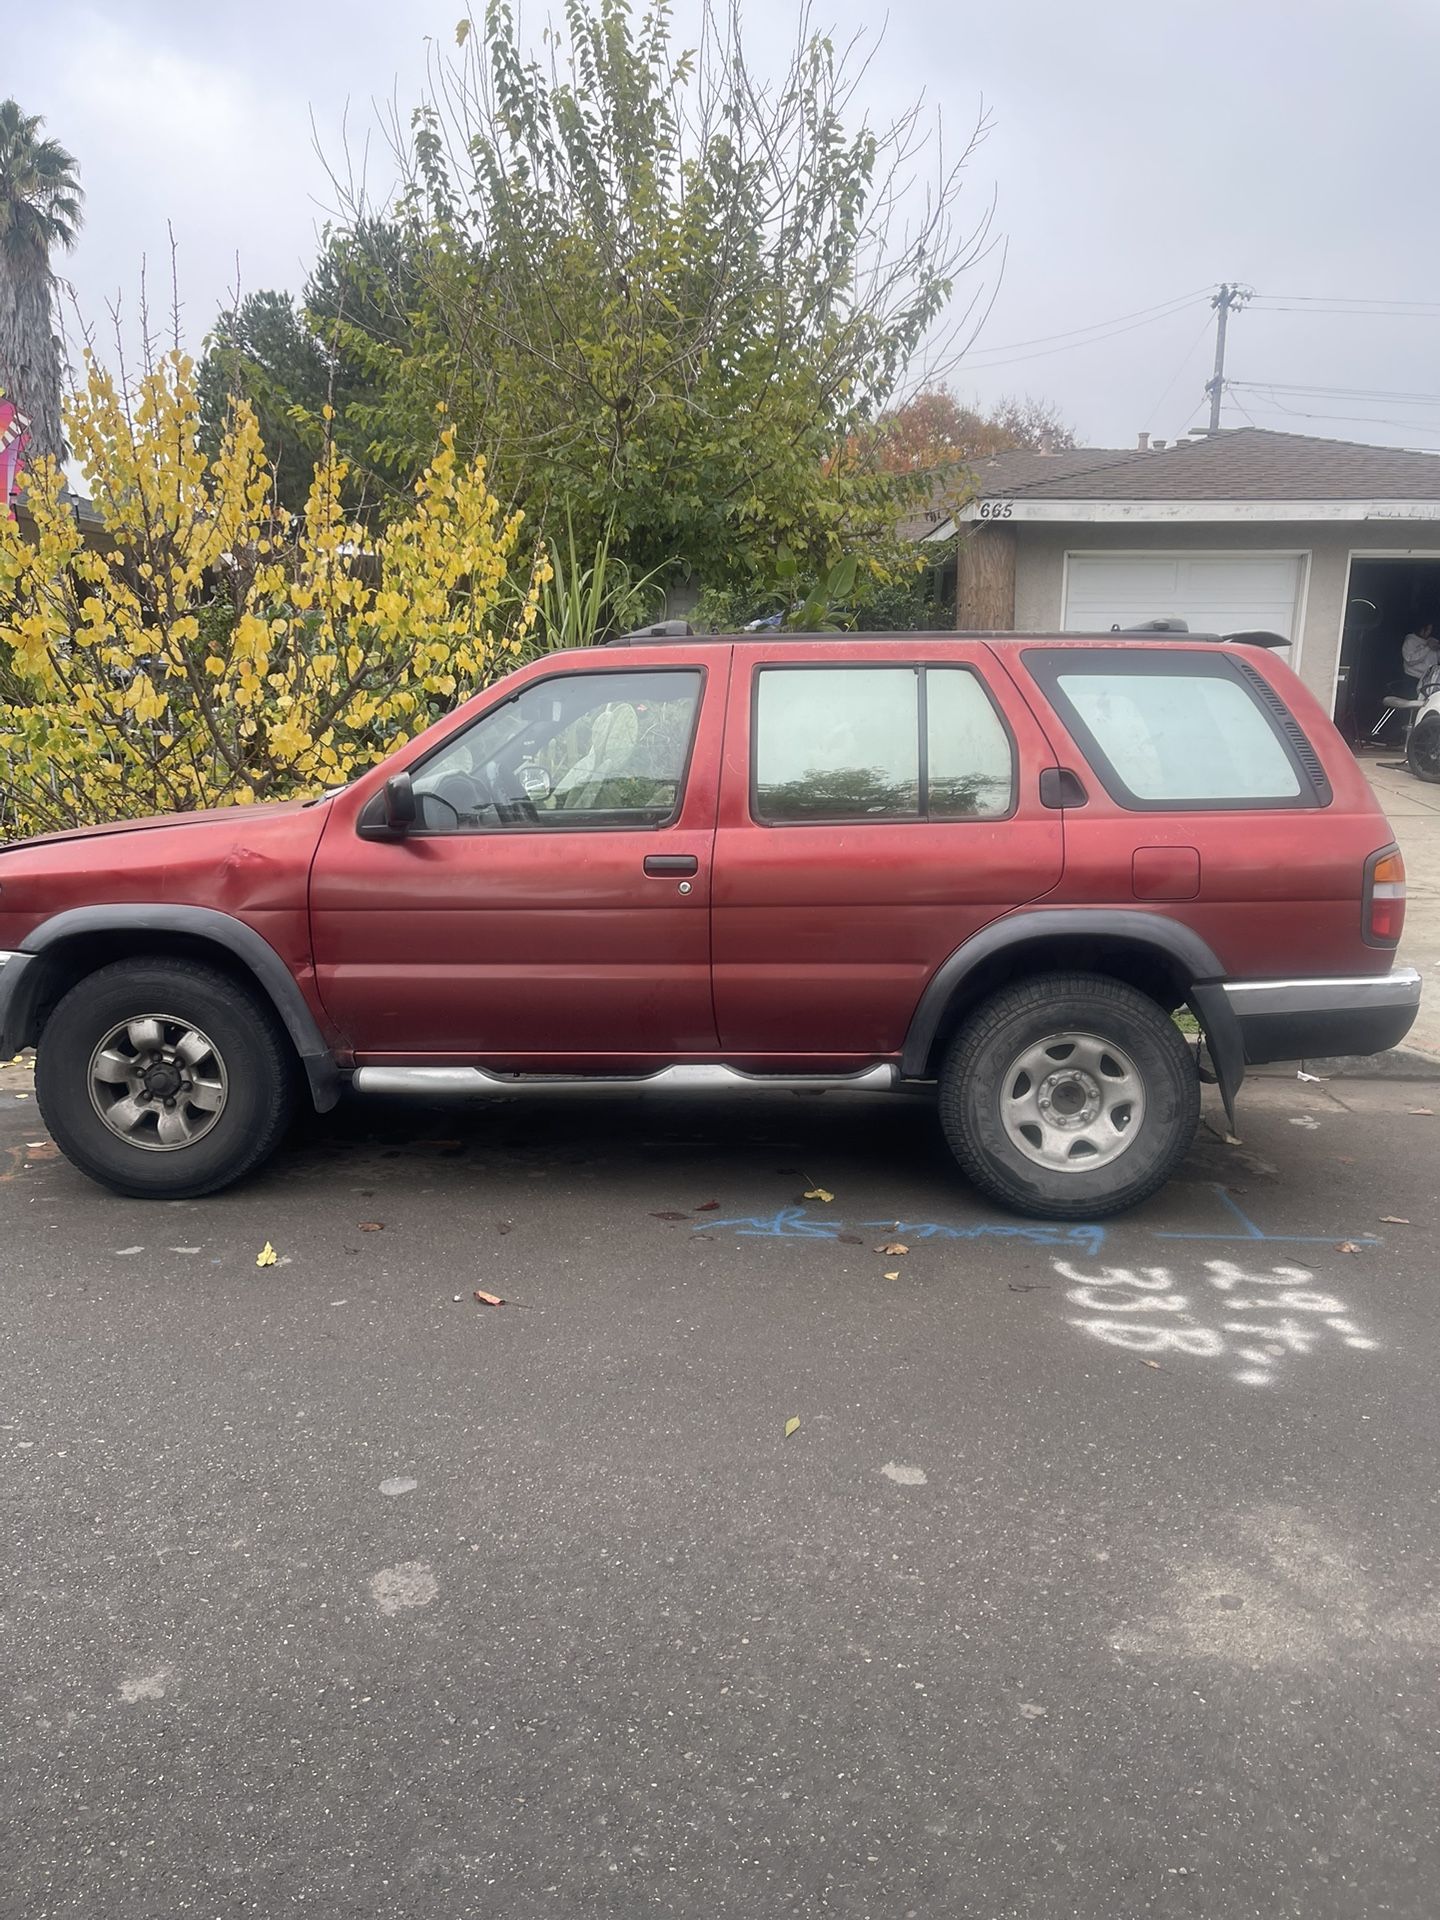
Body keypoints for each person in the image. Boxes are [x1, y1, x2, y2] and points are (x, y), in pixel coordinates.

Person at [1401, 620, 1440, 687]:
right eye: (1428, 629)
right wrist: (1427, 647)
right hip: (1413, 678)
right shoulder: (1410, 641)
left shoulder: (1431, 640)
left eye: (1431, 629)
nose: (1429, 632)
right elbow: (1410, 661)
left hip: (1429, 679)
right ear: (1421, 629)